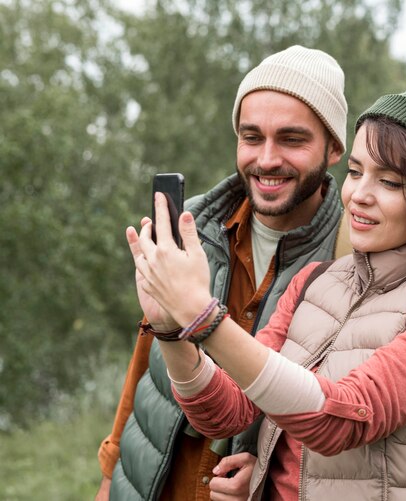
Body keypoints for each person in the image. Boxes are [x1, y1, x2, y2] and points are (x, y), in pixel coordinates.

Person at [128, 70, 406, 500]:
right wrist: (172, 330)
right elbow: (228, 413)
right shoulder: (313, 282)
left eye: (390, 181)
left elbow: (341, 420)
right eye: (356, 172)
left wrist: (204, 316)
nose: (359, 194)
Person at [96, 45, 351, 500]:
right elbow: (145, 368)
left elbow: (351, 417)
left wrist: (275, 476)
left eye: (292, 139)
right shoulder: (190, 226)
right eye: (252, 137)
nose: (267, 159)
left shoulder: (350, 256)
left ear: (333, 148)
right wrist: (108, 478)